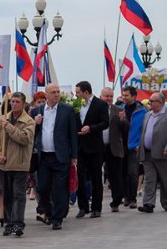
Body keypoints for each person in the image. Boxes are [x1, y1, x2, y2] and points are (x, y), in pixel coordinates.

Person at [31, 83, 78, 230]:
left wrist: (74, 155)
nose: (56, 94)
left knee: (60, 189)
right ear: (46, 95)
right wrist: (35, 124)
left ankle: (58, 217)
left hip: (61, 155)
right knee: (42, 188)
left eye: (58, 92)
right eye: (53, 92)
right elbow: (32, 134)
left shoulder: (67, 110)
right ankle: (49, 211)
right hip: (43, 156)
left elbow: (73, 135)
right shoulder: (37, 111)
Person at [0, 92, 34, 237]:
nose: (14, 104)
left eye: (17, 102)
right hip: (4, 164)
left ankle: (18, 223)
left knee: (19, 195)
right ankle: (8, 222)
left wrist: (8, 127)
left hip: (20, 164)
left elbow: (24, 138)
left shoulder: (28, 121)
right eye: (12, 101)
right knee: (7, 194)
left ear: (23, 104)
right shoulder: (2, 119)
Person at [138, 93, 167, 213]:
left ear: (161, 102)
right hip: (147, 153)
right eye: (150, 101)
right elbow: (144, 131)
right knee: (149, 179)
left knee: (165, 180)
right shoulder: (147, 115)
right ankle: (148, 204)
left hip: (164, 153)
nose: (150, 103)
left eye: (153, 101)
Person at [73, 81, 109, 219]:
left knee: (95, 179)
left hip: (95, 147)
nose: (76, 95)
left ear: (86, 92)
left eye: (78, 92)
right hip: (80, 147)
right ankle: (83, 207)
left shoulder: (100, 104)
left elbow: (105, 123)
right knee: (80, 178)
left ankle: (96, 208)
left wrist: (91, 128)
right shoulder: (76, 105)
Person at [99, 87, 127, 211]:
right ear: (101, 97)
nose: (109, 98)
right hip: (98, 147)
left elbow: (126, 129)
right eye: (106, 96)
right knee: (97, 175)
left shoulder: (119, 110)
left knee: (116, 176)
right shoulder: (96, 109)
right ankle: (95, 204)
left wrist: (123, 120)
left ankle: (116, 202)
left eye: (111, 96)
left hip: (114, 147)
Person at [119, 86, 146, 209]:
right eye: (123, 95)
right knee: (123, 172)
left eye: (126, 95)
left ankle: (133, 198)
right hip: (121, 145)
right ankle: (126, 196)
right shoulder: (120, 109)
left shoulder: (142, 111)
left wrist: (140, 144)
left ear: (134, 96)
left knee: (133, 173)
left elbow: (144, 129)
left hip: (134, 146)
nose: (124, 97)